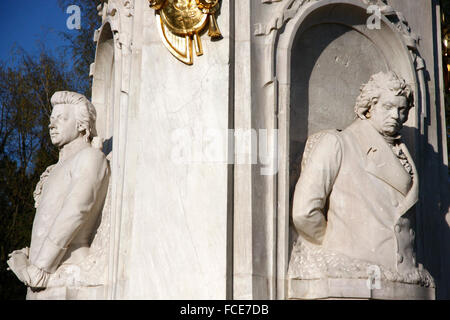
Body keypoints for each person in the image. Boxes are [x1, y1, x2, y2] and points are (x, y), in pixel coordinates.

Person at [288, 71, 434, 298]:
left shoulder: (405, 153)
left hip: (404, 281)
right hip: (354, 278)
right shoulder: (338, 143)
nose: (395, 115)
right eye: (387, 107)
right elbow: (304, 211)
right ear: (369, 107)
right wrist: (337, 245)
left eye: (402, 109)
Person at [7, 91, 109, 297]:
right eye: (51, 119)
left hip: (67, 271)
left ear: (81, 125)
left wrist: (41, 268)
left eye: (61, 118)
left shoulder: (89, 157)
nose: (51, 125)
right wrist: (28, 256)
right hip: (41, 275)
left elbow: (76, 211)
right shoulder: (53, 170)